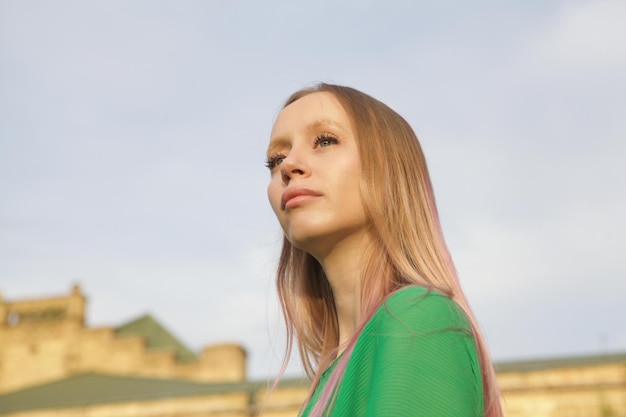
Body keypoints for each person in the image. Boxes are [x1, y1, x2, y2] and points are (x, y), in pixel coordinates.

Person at [265, 83, 503, 417]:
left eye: (325, 140)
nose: (289, 165)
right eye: (275, 159)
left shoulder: (418, 319)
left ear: (389, 170)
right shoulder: (332, 377)